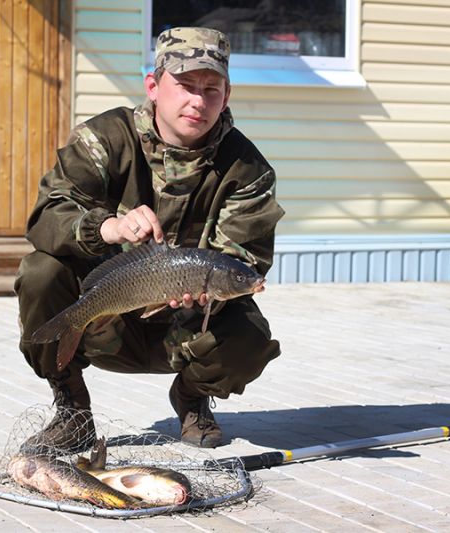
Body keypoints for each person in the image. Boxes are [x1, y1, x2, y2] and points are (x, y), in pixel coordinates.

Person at [15, 27, 284, 451]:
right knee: (40, 272)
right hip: (105, 318)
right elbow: (47, 214)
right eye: (185, 85)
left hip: (186, 327)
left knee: (251, 335)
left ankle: (193, 397)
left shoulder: (248, 169)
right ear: (154, 86)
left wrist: (204, 292)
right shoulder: (104, 139)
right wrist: (108, 227)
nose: (198, 101)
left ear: (226, 95)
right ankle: (72, 408)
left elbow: (242, 261)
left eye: (211, 89)